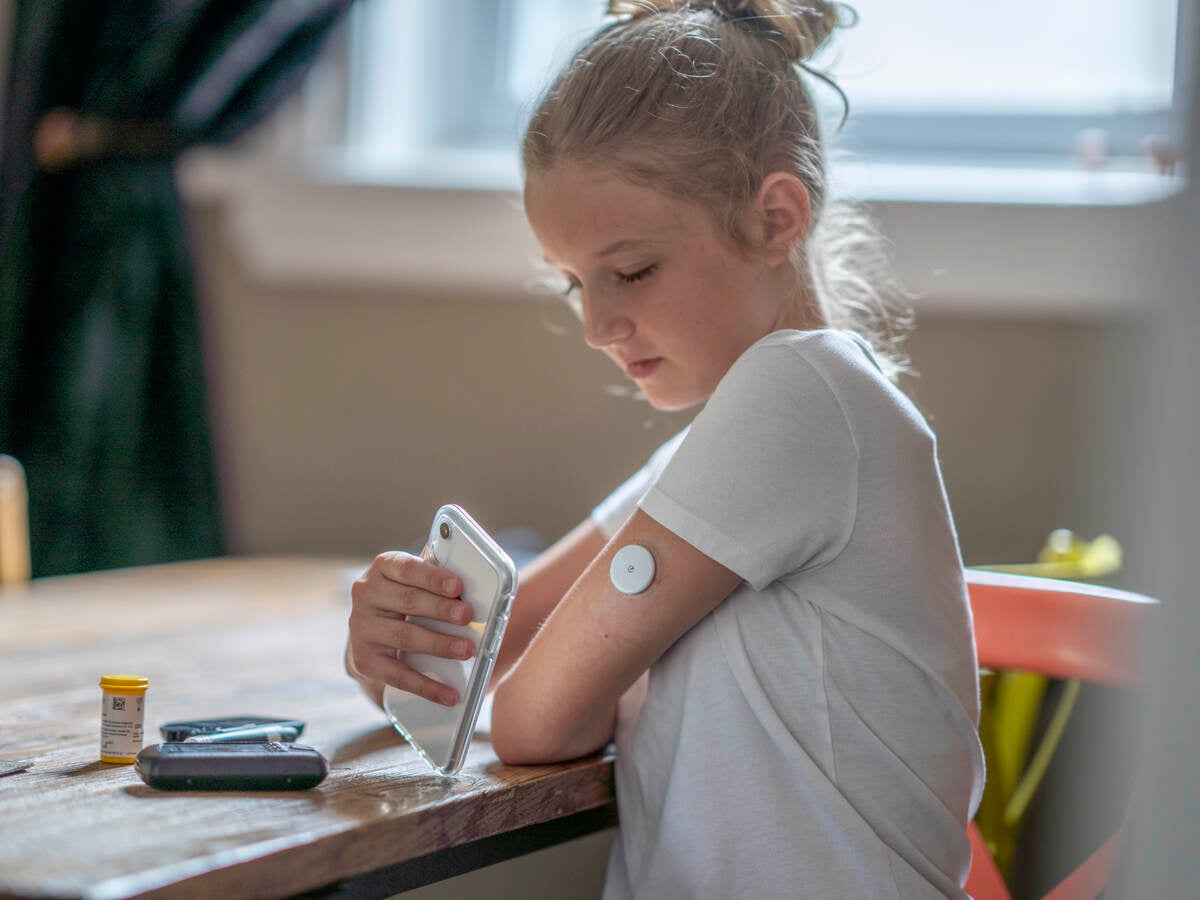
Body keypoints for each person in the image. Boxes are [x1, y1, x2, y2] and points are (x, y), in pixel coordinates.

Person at [345, 1, 985, 896]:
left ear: (775, 218)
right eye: (574, 283)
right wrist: (394, 650)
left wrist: (458, 675)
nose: (598, 325)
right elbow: (489, 653)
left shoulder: (801, 397)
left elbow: (532, 718)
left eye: (632, 271)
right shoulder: (728, 440)